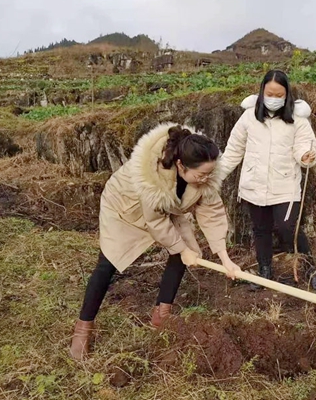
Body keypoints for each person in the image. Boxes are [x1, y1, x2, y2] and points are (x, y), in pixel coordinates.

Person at [69, 122, 241, 360]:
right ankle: (82, 332)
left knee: (184, 251)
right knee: (107, 264)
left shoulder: (205, 173)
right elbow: (156, 223)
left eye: (209, 173)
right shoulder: (151, 176)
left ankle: (161, 315)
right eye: (201, 174)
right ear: (180, 165)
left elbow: (211, 213)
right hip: (124, 207)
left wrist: (225, 258)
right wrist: (181, 248)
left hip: (168, 208)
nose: (206, 179)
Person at [217, 69, 316, 290]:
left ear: (287, 95)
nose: (273, 99)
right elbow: (234, 150)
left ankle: (309, 268)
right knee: (260, 229)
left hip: (285, 185)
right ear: (262, 91)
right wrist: (215, 178)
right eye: (270, 93)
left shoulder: (298, 119)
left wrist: (306, 156)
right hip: (253, 185)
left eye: (278, 95)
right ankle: (265, 271)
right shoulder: (248, 117)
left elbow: (305, 147)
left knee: (288, 228)